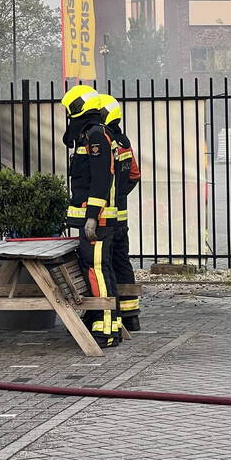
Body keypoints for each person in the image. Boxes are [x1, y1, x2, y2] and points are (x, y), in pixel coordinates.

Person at [61, 85, 120, 348]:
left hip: (98, 220)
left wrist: (92, 216)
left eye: (69, 110)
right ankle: (105, 321)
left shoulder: (96, 136)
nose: (68, 116)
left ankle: (106, 328)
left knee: (97, 270)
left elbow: (100, 179)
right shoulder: (89, 134)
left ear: (78, 108)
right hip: (93, 217)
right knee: (97, 269)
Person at [91, 94, 142, 331]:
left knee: (105, 265)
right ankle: (131, 317)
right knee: (122, 263)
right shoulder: (124, 141)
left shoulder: (105, 140)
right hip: (121, 216)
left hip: (106, 217)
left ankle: (110, 316)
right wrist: (120, 195)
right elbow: (134, 175)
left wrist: (110, 197)